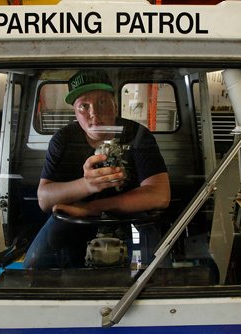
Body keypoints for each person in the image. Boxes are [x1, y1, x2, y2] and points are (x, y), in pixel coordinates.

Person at [23, 69, 170, 268]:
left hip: (131, 217)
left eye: (102, 102)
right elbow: (45, 199)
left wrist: (90, 208)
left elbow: (160, 194)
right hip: (74, 217)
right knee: (34, 264)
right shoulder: (63, 140)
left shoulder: (137, 135)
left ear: (115, 106)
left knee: (158, 271)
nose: (94, 113)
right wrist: (87, 184)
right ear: (75, 112)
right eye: (84, 105)